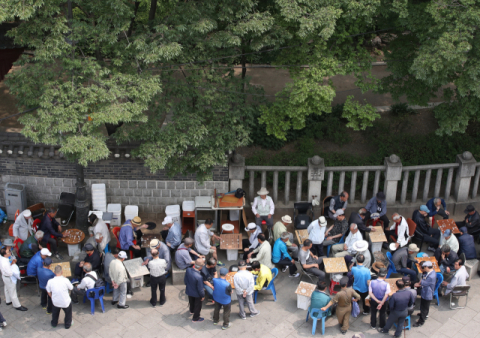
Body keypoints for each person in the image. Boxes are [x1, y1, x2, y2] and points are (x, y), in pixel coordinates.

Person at [413, 261, 436, 327]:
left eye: (424, 267)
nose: (423, 268)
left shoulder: (431, 276)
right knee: (424, 306)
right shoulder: (430, 272)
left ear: (427, 267)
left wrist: (421, 281)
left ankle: (421, 321)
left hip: (427, 294)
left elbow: (424, 283)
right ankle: (424, 315)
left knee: (424, 308)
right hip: (425, 292)